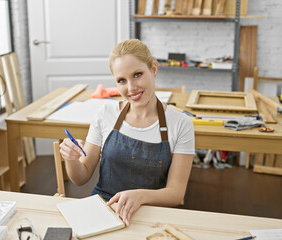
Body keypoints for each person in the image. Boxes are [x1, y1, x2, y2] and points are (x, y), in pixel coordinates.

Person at [59, 39, 194, 226]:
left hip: (151, 215)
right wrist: (71, 157)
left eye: (137, 75)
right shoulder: (105, 114)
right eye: (122, 80)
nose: (131, 88)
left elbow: (175, 194)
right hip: (103, 208)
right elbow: (80, 178)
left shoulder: (181, 124)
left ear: (153, 69)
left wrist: (140, 196)